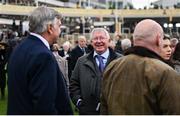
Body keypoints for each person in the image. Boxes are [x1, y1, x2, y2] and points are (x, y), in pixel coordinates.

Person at [101, 19, 180, 115]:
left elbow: (104, 109)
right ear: (159, 39)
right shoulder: (165, 72)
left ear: (134, 39)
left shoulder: (112, 67)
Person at [7, 6, 73, 115]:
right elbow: (45, 106)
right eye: (59, 26)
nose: (60, 30)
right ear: (50, 28)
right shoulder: (43, 56)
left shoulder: (20, 47)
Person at [70, 28, 122, 115]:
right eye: (95, 38)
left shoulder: (121, 61)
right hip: (88, 112)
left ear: (109, 41)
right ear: (91, 42)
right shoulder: (81, 61)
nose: (98, 41)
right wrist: (79, 101)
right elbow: (73, 84)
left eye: (102, 38)